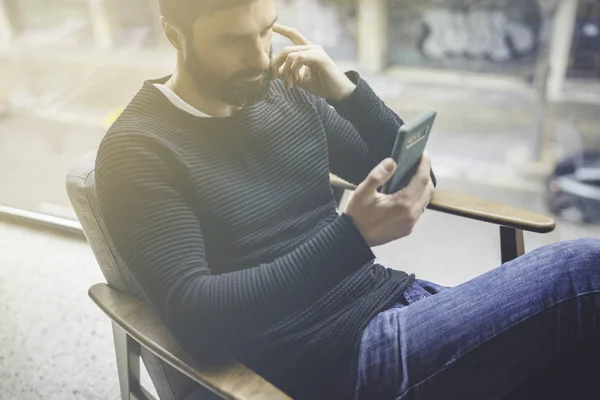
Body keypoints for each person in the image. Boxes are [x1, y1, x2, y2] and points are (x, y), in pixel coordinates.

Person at [94, 0, 600, 399]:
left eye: (266, 30)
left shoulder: (284, 90)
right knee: (586, 269)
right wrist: (350, 237)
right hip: (335, 362)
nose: (257, 57)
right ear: (173, 34)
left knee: (572, 356)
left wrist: (345, 93)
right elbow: (196, 317)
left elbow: (410, 178)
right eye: (231, 40)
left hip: (398, 302)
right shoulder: (138, 150)